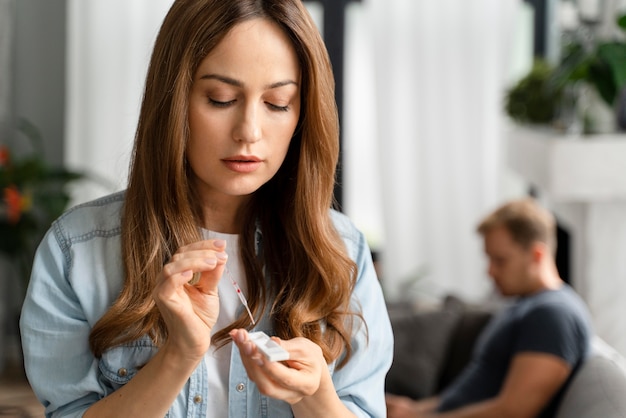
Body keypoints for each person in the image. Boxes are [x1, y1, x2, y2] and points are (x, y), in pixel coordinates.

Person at [19, 1, 393, 417]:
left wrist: (315, 397)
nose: (249, 132)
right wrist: (178, 354)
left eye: (277, 103)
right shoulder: (77, 250)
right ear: (173, 100)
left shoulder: (343, 250)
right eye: (221, 99)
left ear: (302, 114)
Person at [386, 198, 593, 418]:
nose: (490, 272)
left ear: (536, 256)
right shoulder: (525, 305)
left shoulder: (554, 315)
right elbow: (472, 392)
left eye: (500, 261)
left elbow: (512, 412)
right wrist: (414, 409)